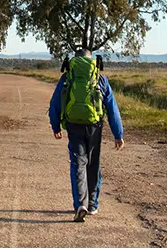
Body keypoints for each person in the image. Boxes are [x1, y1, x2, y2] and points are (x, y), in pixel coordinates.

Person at [48, 47, 125, 222]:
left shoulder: (67, 78)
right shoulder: (100, 78)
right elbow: (112, 108)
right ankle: (92, 205)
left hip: (74, 126)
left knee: (78, 164)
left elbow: (55, 103)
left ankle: (79, 204)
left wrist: (55, 126)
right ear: (91, 61)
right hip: (94, 127)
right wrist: (118, 134)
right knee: (93, 165)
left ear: (74, 60)